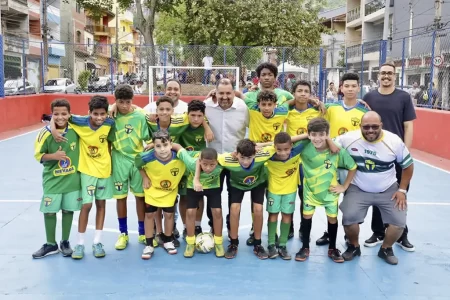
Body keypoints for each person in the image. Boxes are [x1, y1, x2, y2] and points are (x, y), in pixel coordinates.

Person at [336, 111, 414, 265]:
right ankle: (354, 246)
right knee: (348, 218)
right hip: (358, 188)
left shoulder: (394, 141)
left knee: (398, 224)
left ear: (381, 126)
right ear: (360, 127)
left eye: (374, 127)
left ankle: (385, 248)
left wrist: (402, 190)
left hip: (387, 189)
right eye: (366, 127)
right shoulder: (348, 138)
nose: (370, 130)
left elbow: (408, 166)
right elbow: (328, 145)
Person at [51, 95, 114, 259]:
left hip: (105, 171)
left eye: (102, 114)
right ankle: (79, 244)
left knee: (101, 204)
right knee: (86, 206)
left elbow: (110, 142)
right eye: (95, 114)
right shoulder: (79, 121)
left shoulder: (110, 123)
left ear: (106, 113)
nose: (99, 117)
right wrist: (52, 129)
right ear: (89, 112)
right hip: (87, 171)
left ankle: (97, 242)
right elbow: (57, 116)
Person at [362, 62, 416, 252]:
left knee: (400, 194)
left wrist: (405, 151)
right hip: (375, 155)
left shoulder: (403, 97)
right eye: (383, 73)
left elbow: (408, 125)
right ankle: (377, 232)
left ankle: (402, 234)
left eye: (389, 73)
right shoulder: (369, 97)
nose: (386, 76)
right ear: (378, 75)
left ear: (395, 75)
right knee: (377, 192)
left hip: (396, 155)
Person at [315, 72, 369, 246]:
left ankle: (349, 233)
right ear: (341, 88)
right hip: (331, 160)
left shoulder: (364, 111)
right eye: (347, 86)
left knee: (350, 199)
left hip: (351, 163)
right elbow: (320, 127)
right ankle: (329, 232)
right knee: (331, 197)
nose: (350, 89)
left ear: (359, 88)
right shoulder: (331, 108)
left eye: (354, 86)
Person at [294, 118, 357, 263]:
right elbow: (285, 142)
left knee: (332, 219)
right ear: (309, 135)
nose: (317, 138)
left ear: (328, 134)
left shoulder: (336, 150)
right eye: (314, 135)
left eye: (322, 134)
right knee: (306, 218)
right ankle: (305, 247)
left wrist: (344, 186)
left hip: (330, 192)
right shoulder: (304, 147)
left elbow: (353, 167)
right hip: (310, 191)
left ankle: (332, 248)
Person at [32, 99, 82, 259]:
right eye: (56, 114)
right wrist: (54, 156)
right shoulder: (45, 133)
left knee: (68, 210)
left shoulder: (77, 129)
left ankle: (65, 242)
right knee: (49, 212)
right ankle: (50, 243)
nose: (60, 117)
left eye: (64, 114)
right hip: (52, 180)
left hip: (72, 180)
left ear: (70, 114)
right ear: (51, 115)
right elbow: (39, 156)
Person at [204, 78, 249, 235]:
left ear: (234, 93)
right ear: (215, 92)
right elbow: (196, 117)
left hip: (235, 161)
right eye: (220, 93)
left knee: (234, 196)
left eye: (228, 93)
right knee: (212, 195)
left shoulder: (243, 108)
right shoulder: (207, 105)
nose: (224, 97)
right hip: (213, 161)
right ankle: (212, 224)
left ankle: (231, 225)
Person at [217, 139, 275, 259]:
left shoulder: (262, 155)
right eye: (242, 157)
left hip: (258, 182)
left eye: (249, 158)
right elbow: (205, 156)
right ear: (236, 153)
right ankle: (233, 243)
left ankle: (257, 244)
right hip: (237, 184)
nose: (245, 161)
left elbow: (280, 142)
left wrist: (262, 144)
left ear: (254, 154)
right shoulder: (227, 159)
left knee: (258, 209)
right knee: (234, 209)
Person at [108, 85, 150, 251]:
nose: (124, 105)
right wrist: (111, 107)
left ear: (132, 101)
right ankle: (123, 233)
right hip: (118, 160)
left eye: (127, 102)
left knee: (141, 197)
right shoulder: (111, 116)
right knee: (121, 197)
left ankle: (141, 232)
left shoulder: (140, 116)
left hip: (137, 161)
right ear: (115, 101)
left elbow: (148, 137)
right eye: (120, 102)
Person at [135, 130, 186, 259]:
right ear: (153, 145)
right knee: (149, 216)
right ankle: (149, 244)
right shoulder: (147, 157)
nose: (162, 149)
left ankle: (168, 241)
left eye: (165, 145)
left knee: (169, 215)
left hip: (169, 191)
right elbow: (137, 163)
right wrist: (145, 177)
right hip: (152, 190)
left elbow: (196, 158)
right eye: (158, 146)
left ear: (171, 144)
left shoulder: (179, 157)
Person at [174, 145, 224, 258]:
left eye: (212, 165)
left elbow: (237, 155)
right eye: (205, 164)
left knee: (217, 211)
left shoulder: (222, 162)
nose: (208, 168)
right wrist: (152, 144)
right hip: (193, 186)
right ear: (199, 161)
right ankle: (190, 243)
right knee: (191, 212)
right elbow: (177, 147)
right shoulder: (191, 163)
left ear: (217, 162)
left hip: (213, 186)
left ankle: (219, 243)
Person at [285, 80, 321, 240]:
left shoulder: (317, 111)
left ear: (310, 94)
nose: (303, 94)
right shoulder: (286, 111)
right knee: (288, 194)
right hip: (290, 159)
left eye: (306, 91)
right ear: (294, 93)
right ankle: (289, 226)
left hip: (308, 161)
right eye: (299, 91)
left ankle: (304, 228)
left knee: (304, 195)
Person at [265, 132, 307, 260]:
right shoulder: (269, 154)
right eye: (279, 149)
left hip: (290, 191)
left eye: (286, 149)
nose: (283, 153)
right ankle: (271, 244)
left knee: (287, 216)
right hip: (273, 190)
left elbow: (310, 137)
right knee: (273, 215)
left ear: (292, 146)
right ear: (274, 147)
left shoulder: (296, 152)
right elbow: (252, 150)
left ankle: (282, 245)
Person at [179, 100, 209, 238]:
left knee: (199, 197)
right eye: (193, 115)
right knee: (184, 197)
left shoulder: (205, 123)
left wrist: (206, 126)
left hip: (199, 167)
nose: (196, 119)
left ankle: (197, 225)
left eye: (199, 116)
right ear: (187, 114)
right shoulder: (180, 123)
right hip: (182, 166)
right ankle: (185, 227)